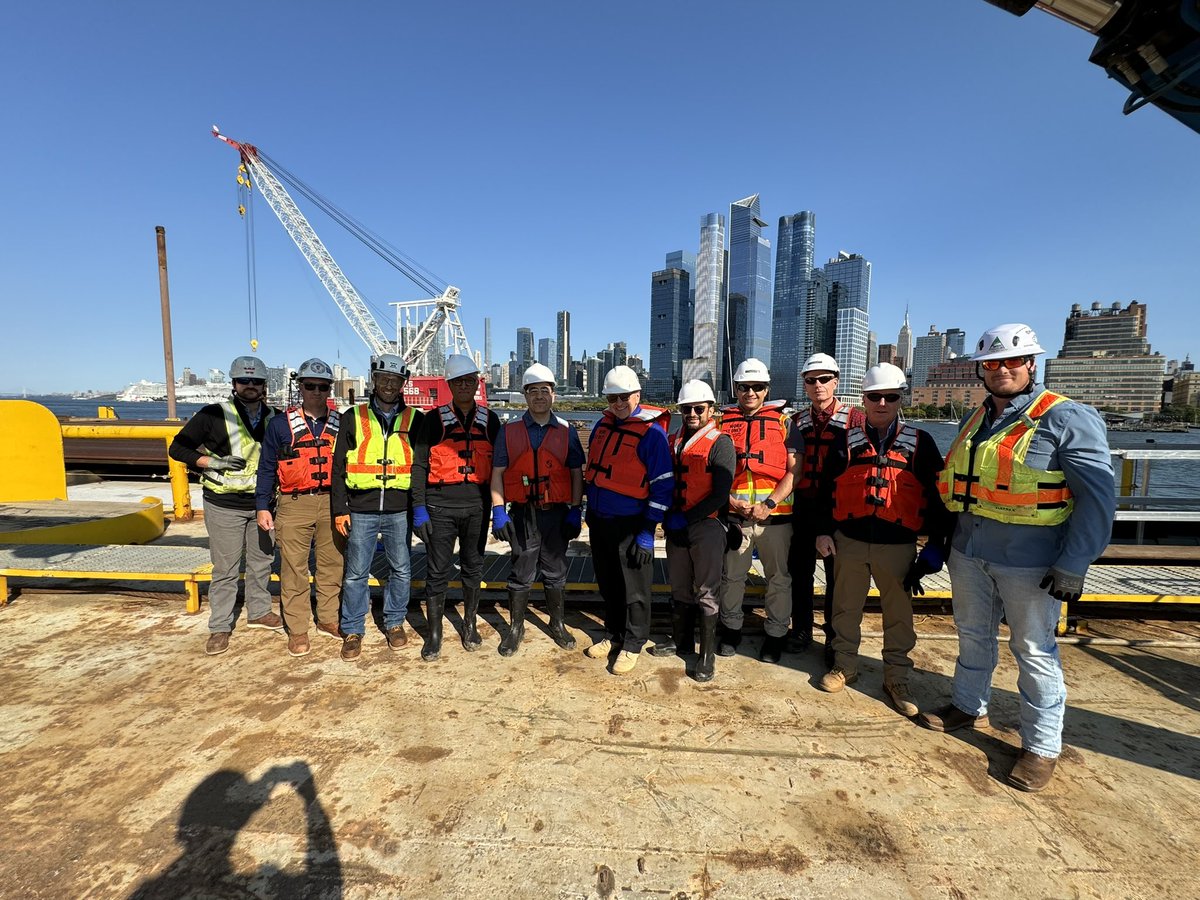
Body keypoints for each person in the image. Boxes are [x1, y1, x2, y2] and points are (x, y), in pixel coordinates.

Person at [918, 324, 1114, 792]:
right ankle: (968, 705)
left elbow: (1099, 499)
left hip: (1031, 561)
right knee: (971, 633)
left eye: (1012, 361)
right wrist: (941, 543)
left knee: (1034, 649)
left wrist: (1074, 563)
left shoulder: (1067, 418)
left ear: (1031, 364)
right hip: (970, 551)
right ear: (981, 370)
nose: (1002, 369)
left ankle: (1041, 747)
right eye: (991, 363)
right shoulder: (976, 418)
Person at [814, 363, 951, 718]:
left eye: (890, 397)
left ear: (899, 399)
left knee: (899, 615)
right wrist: (823, 531)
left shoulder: (921, 444)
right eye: (875, 396)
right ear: (864, 399)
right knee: (845, 608)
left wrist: (937, 544)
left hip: (898, 545)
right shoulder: (845, 442)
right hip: (850, 541)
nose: (882, 403)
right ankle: (845, 665)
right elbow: (824, 491)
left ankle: (897, 677)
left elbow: (939, 498)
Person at [170, 356, 282, 656]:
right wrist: (212, 461)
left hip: (264, 504)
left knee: (262, 563)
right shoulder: (213, 415)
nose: (250, 386)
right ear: (234, 384)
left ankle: (258, 611)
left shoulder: (275, 417)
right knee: (226, 568)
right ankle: (219, 626)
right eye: (245, 381)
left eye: (256, 382)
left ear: (264, 386)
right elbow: (178, 447)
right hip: (224, 504)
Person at [330, 354, 423, 661]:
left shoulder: (415, 420)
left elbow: (423, 465)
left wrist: (420, 507)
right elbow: (338, 467)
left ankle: (394, 623)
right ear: (373, 380)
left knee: (401, 569)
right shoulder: (353, 417)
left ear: (402, 384)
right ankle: (353, 629)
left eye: (395, 381)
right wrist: (339, 509)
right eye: (383, 379)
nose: (388, 385)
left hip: (399, 509)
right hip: (361, 508)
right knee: (356, 572)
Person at [489, 363, 585, 656]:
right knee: (521, 571)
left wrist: (575, 509)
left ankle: (557, 624)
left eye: (545, 390)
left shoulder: (567, 431)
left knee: (556, 570)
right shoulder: (509, 432)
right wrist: (499, 510)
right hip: (522, 513)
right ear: (525, 396)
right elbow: (498, 472)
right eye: (533, 391)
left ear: (554, 395)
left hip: (556, 513)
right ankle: (515, 628)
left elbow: (575, 474)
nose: (540, 396)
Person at [582, 365, 673, 675]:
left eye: (624, 397)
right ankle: (615, 634)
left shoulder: (652, 434)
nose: (618, 403)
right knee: (609, 583)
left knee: (635, 588)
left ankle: (634, 642)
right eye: (612, 398)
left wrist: (648, 530)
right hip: (599, 519)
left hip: (632, 524)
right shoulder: (602, 427)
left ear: (637, 395)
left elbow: (663, 486)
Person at [410, 354, 500, 661]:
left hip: (477, 506)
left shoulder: (491, 420)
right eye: (458, 381)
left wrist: (501, 508)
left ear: (476, 384)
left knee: (474, 568)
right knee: (438, 571)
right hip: (440, 507)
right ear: (449, 385)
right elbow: (420, 465)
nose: (464, 386)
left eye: (469, 381)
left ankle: (470, 625)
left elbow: (500, 468)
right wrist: (418, 508)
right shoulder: (433, 420)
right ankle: (434, 635)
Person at [255, 358, 344, 658]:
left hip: (332, 502)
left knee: (333, 564)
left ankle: (329, 619)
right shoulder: (280, 425)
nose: (316, 392)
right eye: (310, 386)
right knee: (294, 569)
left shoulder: (341, 423)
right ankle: (298, 629)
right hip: (294, 505)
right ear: (300, 387)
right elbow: (267, 467)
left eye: (323, 387)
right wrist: (262, 505)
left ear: (329, 389)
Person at [649, 380, 735, 682]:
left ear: (710, 409)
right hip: (677, 524)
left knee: (707, 591)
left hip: (707, 525)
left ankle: (707, 656)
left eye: (699, 408)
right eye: (687, 409)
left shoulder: (720, 443)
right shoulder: (673, 440)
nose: (693, 413)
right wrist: (669, 516)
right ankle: (681, 641)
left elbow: (720, 494)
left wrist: (686, 519)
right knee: (679, 587)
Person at [717, 358, 801, 664]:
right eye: (744, 387)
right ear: (736, 389)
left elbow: (795, 472)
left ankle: (776, 634)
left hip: (775, 519)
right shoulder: (721, 423)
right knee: (732, 577)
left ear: (766, 390)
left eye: (757, 387)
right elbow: (709, 472)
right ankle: (730, 630)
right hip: (735, 516)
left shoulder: (784, 423)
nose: (750, 392)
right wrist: (730, 501)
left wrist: (769, 504)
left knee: (779, 578)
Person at [788, 353, 866, 663]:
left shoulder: (855, 420)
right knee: (800, 572)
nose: (817, 385)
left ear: (836, 381)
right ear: (805, 385)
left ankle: (834, 636)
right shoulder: (796, 422)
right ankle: (802, 629)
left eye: (824, 379)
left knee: (838, 577)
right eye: (811, 380)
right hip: (804, 508)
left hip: (839, 510)